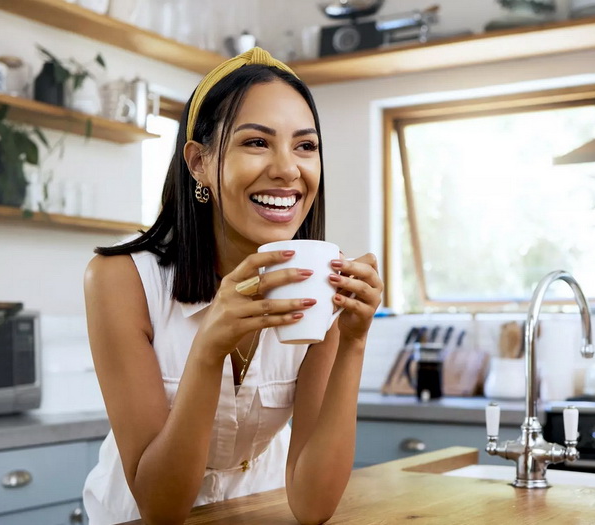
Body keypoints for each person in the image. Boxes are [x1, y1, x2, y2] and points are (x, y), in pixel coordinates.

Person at [82, 47, 383, 525]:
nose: (288, 169)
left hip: (257, 511)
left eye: (305, 146)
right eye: (257, 143)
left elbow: (312, 505)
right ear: (199, 162)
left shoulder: (320, 286)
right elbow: (161, 510)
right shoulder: (121, 280)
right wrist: (208, 349)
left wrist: (352, 342)